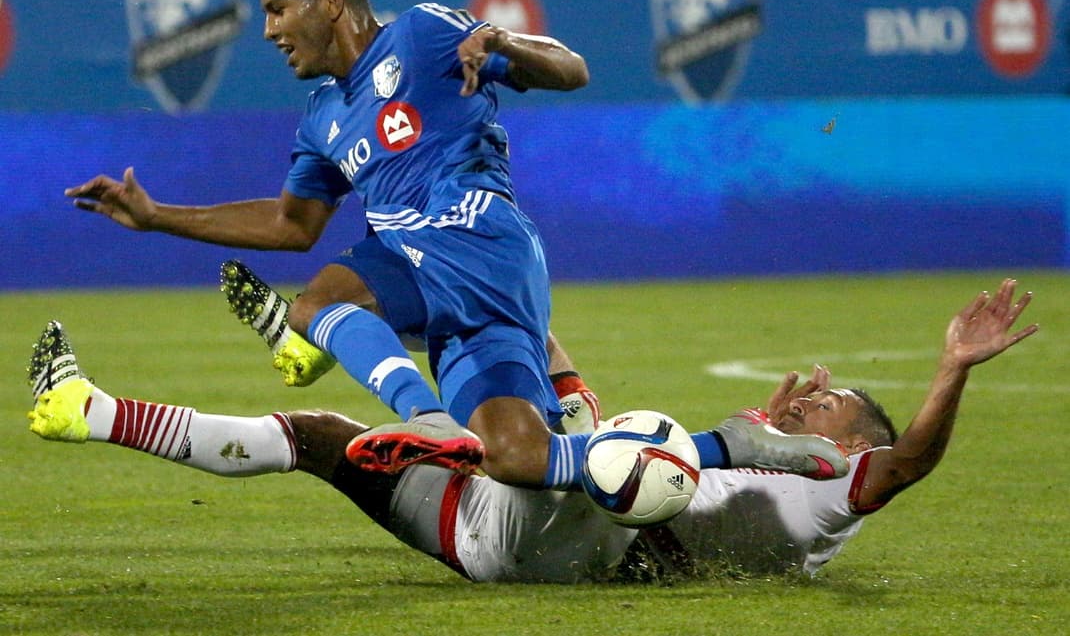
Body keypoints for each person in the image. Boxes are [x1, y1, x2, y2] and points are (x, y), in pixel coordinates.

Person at [70, 0, 748, 495]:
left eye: (278, 9)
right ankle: (731, 444)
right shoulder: (322, 119)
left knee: (319, 302)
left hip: (481, 239)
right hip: (437, 286)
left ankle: (423, 416)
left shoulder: (422, 35)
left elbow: (572, 70)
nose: (271, 30)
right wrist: (157, 215)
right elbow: (291, 225)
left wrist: (505, 44)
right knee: (515, 456)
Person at [25, 280, 1036, 580]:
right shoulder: (788, 487)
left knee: (543, 404)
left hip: (549, 524)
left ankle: (329, 336)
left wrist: (949, 369)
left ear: (849, 448)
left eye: (829, 411)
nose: (814, 406)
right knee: (325, 430)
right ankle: (103, 406)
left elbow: (906, 461)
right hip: (544, 528)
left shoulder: (833, 489)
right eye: (812, 403)